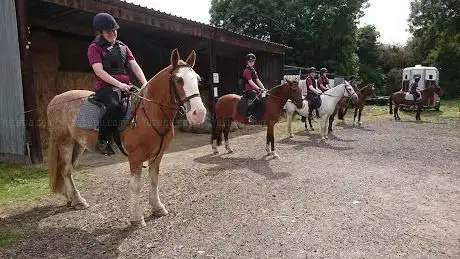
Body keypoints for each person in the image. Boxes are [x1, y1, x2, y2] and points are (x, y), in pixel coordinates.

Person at [87, 13, 147, 155]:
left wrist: (145, 83)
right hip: (106, 87)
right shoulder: (94, 48)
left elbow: (134, 65)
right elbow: (99, 72)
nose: (113, 33)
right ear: (100, 33)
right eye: (109, 31)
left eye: (115, 30)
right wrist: (119, 85)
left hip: (126, 85)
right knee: (114, 106)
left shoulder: (123, 47)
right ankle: (103, 140)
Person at [242, 53, 266, 122]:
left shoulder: (253, 70)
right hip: (248, 90)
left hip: (254, 89)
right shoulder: (246, 71)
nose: (251, 63)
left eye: (252, 61)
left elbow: (258, 80)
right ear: (247, 62)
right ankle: (250, 116)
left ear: (254, 62)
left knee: (263, 98)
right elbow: (250, 82)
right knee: (256, 100)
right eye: (250, 61)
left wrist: (263, 88)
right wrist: (259, 89)